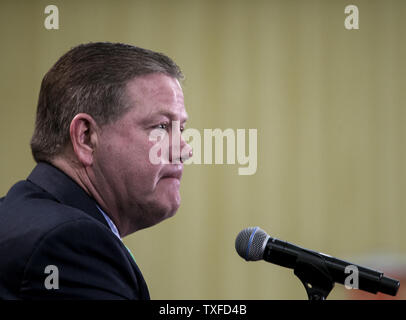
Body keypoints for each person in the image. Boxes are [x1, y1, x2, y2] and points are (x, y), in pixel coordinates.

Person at [0, 42, 192, 299]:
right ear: (86, 137)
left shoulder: (21, 213)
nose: (184, 150)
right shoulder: (69, 244)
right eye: (161, 127)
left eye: (181, 129)